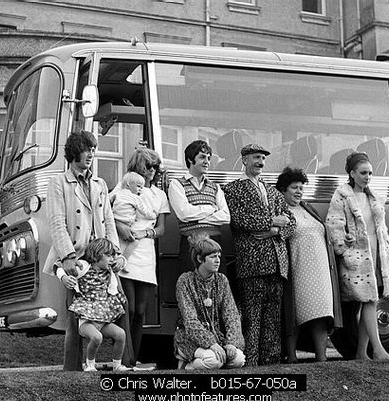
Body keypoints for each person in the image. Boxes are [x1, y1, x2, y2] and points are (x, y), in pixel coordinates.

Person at [43, 130, 127, 371]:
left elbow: (108, 221)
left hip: (102, 256)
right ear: (73, 152)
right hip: (76, 258)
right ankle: (73, 366)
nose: (91, 154)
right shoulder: (58, 182)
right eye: (86, 149)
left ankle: (123, 361)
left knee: (122, 304)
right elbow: (57, 221)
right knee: (75, 314)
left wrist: (116, 254)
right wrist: (67, 256)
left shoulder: (99, 184)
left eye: (93, 149)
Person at [223, 143, 296, 366]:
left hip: (277, 263)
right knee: (252, 316)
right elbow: (237, 220)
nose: (260, 162)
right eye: (256, 157)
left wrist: (272, 231)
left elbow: (291, 222)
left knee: (273, 317)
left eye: (263, 158)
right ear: (244, 160)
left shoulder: (273, 191)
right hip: (252, 263)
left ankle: (271, 361)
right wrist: (272, 221)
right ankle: (251, 362)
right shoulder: (233, 189)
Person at [326, 151, 389, 361]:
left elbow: (381, 228)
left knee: (370, 299)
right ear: (352, 173)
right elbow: (334, 224)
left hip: (376, 253)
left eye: (370, 173)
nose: (368, 177)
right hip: (357, 256)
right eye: (363, 173)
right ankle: (378, 349)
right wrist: (344, 248)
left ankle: (362, 352)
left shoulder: (373, 197)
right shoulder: (342, 196)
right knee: (369, 299)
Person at [276, 167, 343, 363]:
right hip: (297, 268)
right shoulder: (280, 211)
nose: (299, 191)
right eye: (294, 187)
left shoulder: (308, 208)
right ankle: (291, 356)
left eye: (301, 188)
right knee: (293, 311)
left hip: (320, 269)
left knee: (321, 311)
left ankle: (322, 357)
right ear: (282, 190)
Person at [113, 148, 170, 368]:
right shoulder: (125, 186)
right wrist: (121, 228)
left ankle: (134, 359)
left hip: (146, 251)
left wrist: (147, 233)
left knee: (141, 311)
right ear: (139, 166)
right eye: (149, 166)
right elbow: (108, 212)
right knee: (128, 307)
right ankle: (124, 360)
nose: (153, 171)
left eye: (156, 167)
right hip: (126, 249)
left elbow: (162, 228)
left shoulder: (159, 195)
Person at [174, 233, 245, 370]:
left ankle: (212, 361)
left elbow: (231, 314)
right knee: (213, 360)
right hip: (189, 339)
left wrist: (231, 343)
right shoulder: (185, 281)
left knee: (239, 360)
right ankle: (187, 366)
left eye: (218, 256)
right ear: (200, 259)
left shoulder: (221, 280)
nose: (218, 260)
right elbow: (190, 321)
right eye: (213, 257)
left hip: (217, 337)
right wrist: (211, 343)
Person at [65, 238, 130, 372]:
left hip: (103, 317)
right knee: (96, 337)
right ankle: (90, 365)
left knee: (121, 334)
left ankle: (117, 365)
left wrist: (119, 297)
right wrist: (64, 277)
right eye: (109, 255)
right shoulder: (83, 267)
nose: (112, 259)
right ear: (96, 255)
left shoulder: (109, 272)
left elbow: (114, 285)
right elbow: (59, 267)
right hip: (86, 319)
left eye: (113, 255)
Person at [168, 140, 230, 273]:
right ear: (190, 159)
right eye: (202, 157)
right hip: (191, 244)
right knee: (190, 286)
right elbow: (184, 214)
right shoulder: (177, 184)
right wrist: (210, 209)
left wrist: (198, 218)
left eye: (208, 158)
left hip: (215, 243)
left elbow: (225, 217)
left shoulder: (215, 187)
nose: (207, 162)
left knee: (217, 286)